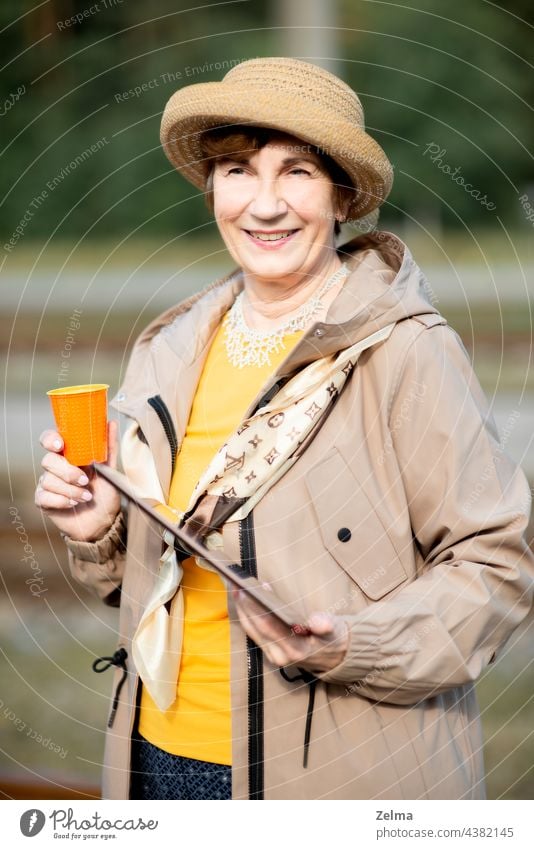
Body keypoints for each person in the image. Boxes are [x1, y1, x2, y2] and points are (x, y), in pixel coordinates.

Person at [36, 57, 534, 801]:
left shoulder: (406, 349)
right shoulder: (168, 348)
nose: (264, 204)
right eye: (238, 170)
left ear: (342, 195)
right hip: (156, 758)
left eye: (296, 171)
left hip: (339, 776)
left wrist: (354, 644)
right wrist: (99, 529)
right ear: (213, 190)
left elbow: (498, 567)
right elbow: (140, 581)